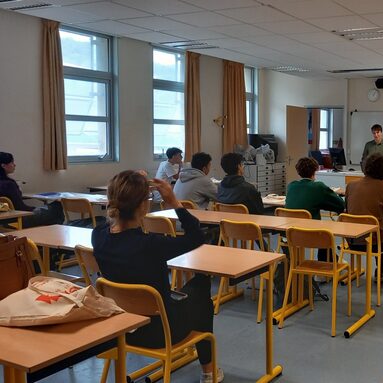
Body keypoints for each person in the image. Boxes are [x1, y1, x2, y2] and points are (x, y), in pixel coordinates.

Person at [92, 170, 223, 383]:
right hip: (162, 332)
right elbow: (196, 236)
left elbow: (109, 225)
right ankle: (208, 372)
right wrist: (174, 201)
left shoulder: (98, 237)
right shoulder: (151, 244)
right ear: (144, 205)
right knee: (200, 286)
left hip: (123, 328)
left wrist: (129, 183)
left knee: (184, 293)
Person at [285, 157, 345, 261]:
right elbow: (340, 205)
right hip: (312, 235)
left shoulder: (291, 186)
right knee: (327, 233)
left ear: (298, 172)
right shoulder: (318, 187)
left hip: (291, 234)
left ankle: (332, 259)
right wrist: (336, 194)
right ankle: (326, 265)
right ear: (315, 171)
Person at [0, 152, 64, 228]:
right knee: (57, 206)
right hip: (19, 219)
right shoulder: (9, 184)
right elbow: (21, 208)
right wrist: (35, 208)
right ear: (3, 165)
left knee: (50, 210)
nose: (14, 165)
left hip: (4, 220)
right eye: (12, 162)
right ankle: (57, 231)